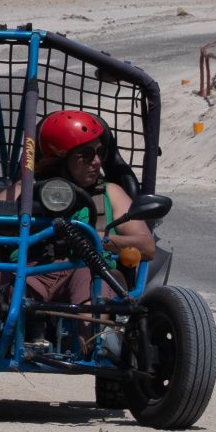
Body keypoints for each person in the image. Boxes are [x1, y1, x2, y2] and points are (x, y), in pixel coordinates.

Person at [29, 109, 154, 303]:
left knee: (95, 284)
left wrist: (94, 238)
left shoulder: (110, 192)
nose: (97, 162)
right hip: (30, 271)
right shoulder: (28, 189)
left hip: (87, 269)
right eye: (86, 154)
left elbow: (147, 247)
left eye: (100, 153)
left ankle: (92, 324)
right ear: (60, 159)